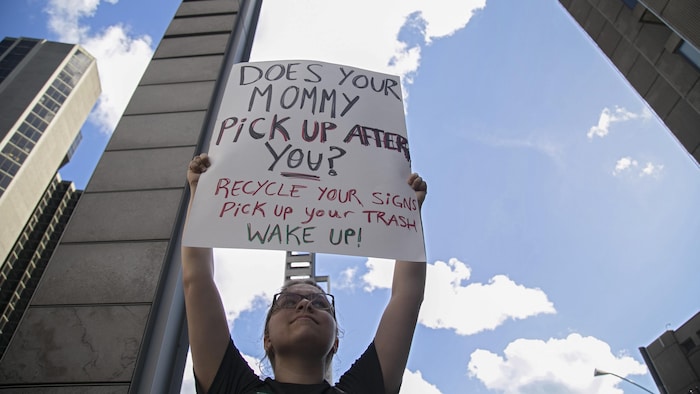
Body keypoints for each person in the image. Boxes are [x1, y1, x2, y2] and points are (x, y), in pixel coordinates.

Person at [183, 153, 428, 394]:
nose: (305, 305)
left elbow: (406, 298)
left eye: (321, 304)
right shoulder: (231, 386)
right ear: (267, 339)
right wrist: (200, 192)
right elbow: (197, 280)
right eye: (288, 302)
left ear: (335, 342)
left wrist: (407, 214)